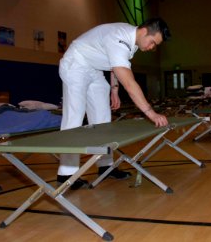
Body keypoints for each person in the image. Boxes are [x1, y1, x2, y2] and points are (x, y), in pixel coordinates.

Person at [57, 18, 171, 189]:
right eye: (153, 42)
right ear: (144, 31)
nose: (151, 47)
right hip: (75, 64)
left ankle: (105, 167)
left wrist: (114, 90)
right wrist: (150, 113)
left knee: (103, 120)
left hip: (94, 68)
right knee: (75, 118)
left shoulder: (131, 41)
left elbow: (115, 65)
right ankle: (66, 174)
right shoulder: (120, 38)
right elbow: (130, 84)